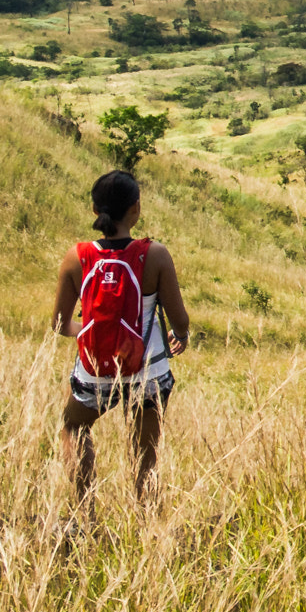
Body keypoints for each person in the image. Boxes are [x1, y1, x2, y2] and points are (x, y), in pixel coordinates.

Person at [52, 169, 190, 500]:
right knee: (146, 454)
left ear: (94, 210)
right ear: (136, 208)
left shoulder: (77, 257)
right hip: (149, 371)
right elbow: (179, 319)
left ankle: (85, 513)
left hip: (95, 370)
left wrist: (87, 332)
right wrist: (180, 336)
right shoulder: (155, 255)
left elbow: (59, 323)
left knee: (74, 427)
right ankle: (148, 529)